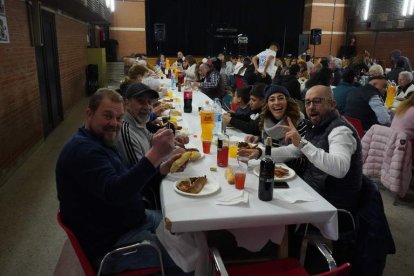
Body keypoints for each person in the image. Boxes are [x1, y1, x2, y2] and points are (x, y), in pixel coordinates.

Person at [56, 89, 190, 275]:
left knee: (186, 226)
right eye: (108, 116)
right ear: (89, 113)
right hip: (113, 244)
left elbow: (126, 179)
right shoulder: (83, 151)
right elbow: (116, 192)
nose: (115, 124)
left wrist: (161, 169)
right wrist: (156, 154)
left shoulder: (100, 142)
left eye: (119, 118)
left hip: (131, 221)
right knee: (189, 258)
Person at [240, 85, 362, 212]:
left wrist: (302, 143)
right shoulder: (317, 126)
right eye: (308, 102)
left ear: (332, 104)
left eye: (317, 101)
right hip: (310, 189)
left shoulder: (340, 131)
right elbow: (292, 151)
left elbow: (340, 168)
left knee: (264, 206)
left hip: (330, 203)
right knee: (258, 191)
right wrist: (260, 152)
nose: (311, 107)